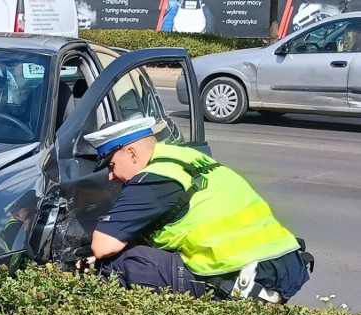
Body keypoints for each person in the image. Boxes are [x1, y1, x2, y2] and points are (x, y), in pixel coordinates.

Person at [78, 117, 312, 303]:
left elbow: (102, 246)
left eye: (111, 165)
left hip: (244, 280)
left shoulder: (154, 179)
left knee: (117, 263)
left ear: (131, 154)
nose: (110, 177)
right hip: (280, 266)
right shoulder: (185, 157)